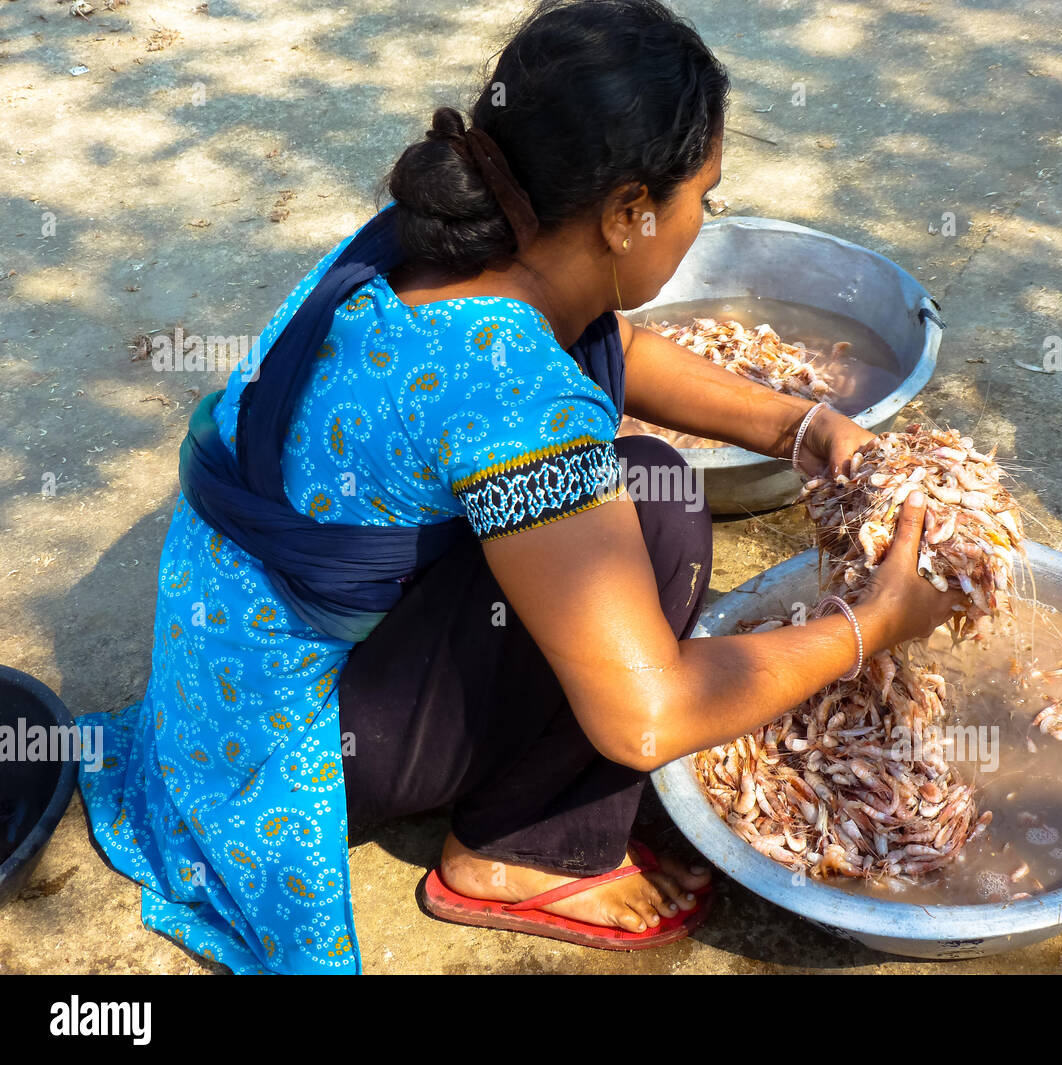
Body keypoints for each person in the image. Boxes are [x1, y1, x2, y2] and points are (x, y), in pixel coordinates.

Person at [77, 0, 961, 973]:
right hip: (292, 752)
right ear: (628, 212)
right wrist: (870, 626)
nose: (708, 216)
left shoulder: (437, 248)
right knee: (660, 509)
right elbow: (648, 718)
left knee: (628, 495)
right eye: (703, 194)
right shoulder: (510, 400)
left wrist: (794, 425)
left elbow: (600, 337)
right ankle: (521, 853)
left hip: (219, 685)